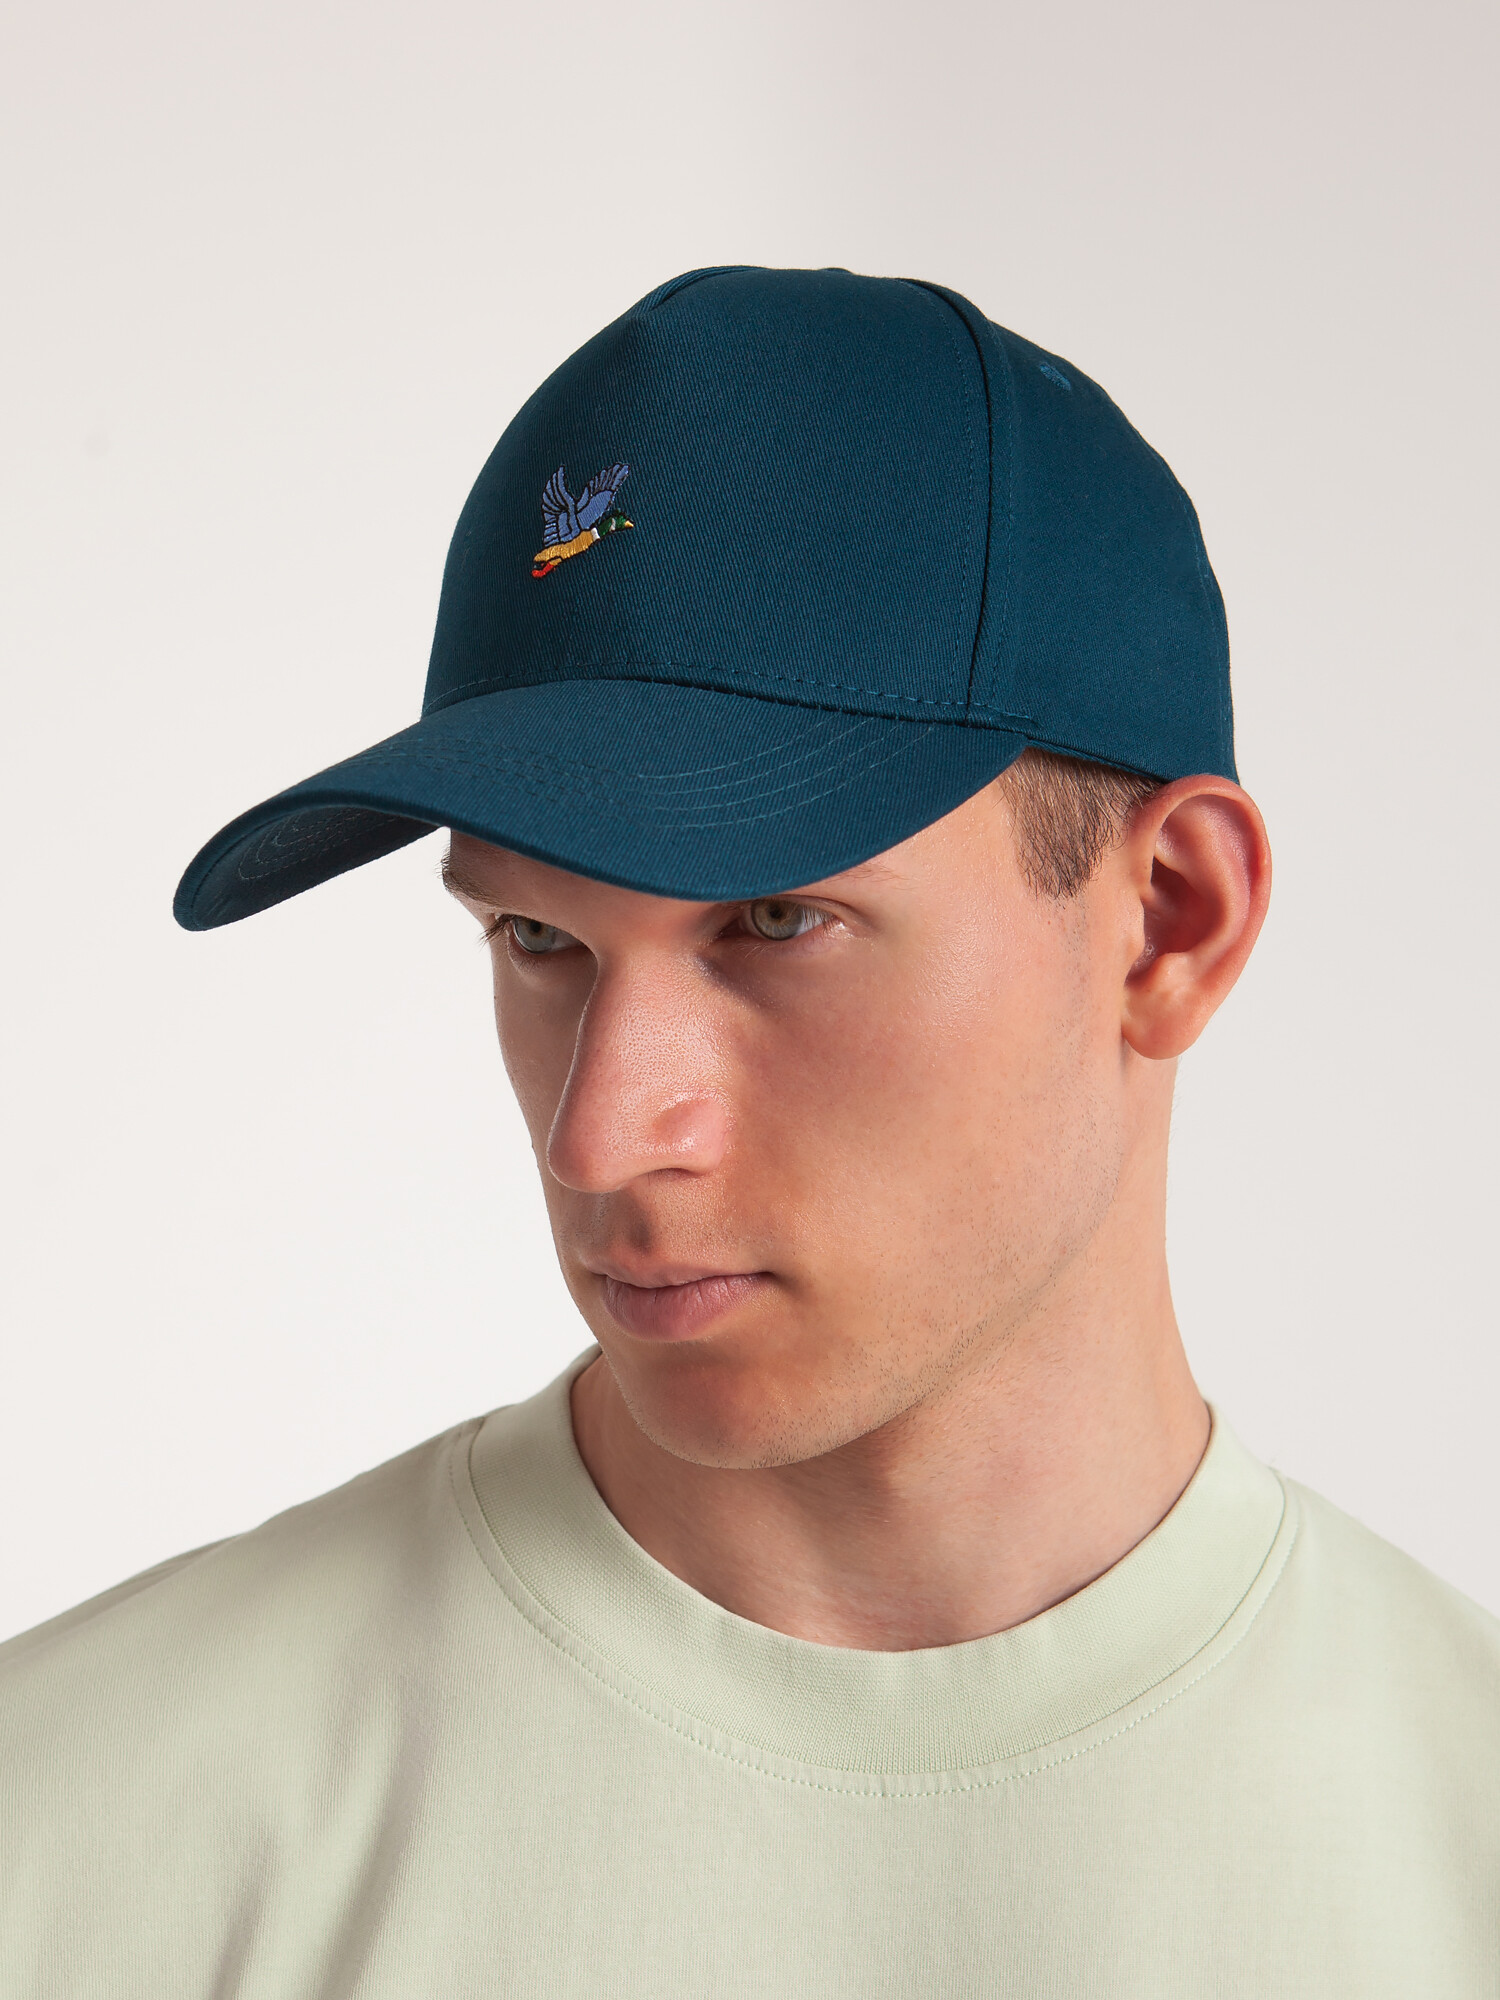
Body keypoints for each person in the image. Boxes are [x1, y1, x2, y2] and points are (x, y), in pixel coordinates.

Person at [2, 265, 1495, 1997]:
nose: (600, 1136)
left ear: (1170, 923)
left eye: (776, 920)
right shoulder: (78, 1837)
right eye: (537, 937)